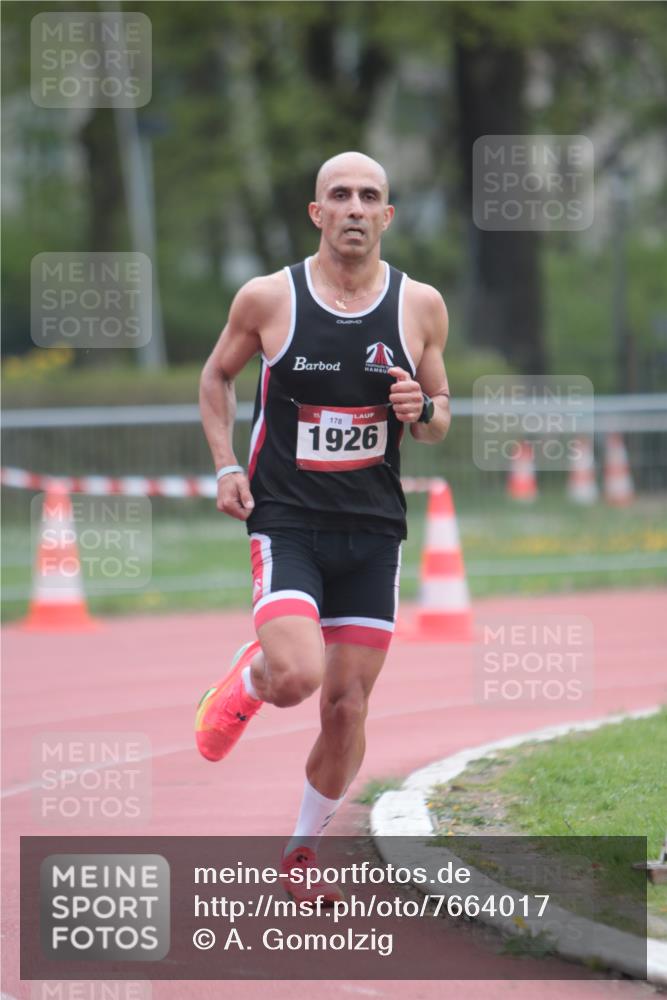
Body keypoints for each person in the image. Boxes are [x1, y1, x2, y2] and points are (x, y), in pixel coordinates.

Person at [196, 151, 451, 902]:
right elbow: (217, 376)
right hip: (287, 521)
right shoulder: (269, 298)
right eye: (338, 195)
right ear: (317, 213)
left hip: (373, 530)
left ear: (386, 216)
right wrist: (223, 466)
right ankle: (250, 679)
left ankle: (302, 854)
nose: (352, 208)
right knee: (298, 678)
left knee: (345, 706)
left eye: (367, 196)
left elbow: (440, 417)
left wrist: (422, 412)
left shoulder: (421, 306)